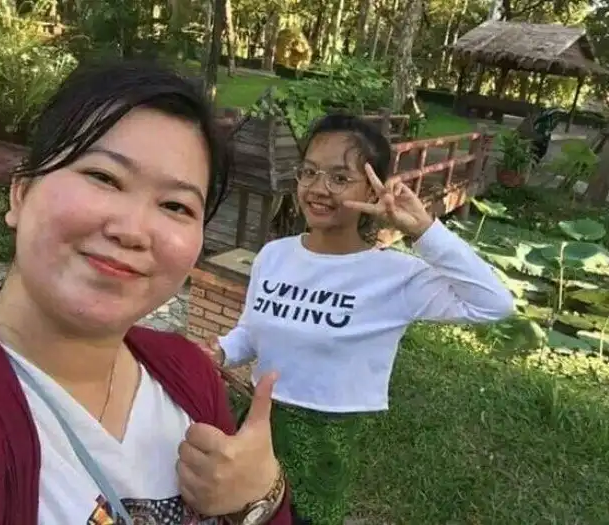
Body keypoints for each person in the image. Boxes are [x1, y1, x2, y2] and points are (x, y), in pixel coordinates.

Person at [0, 60, 293, 525]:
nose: (133, 231)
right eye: (104, 177)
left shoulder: (187, 374)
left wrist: (261, 498)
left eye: (176, 205)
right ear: (21, 193)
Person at [213, 114, 515, 525]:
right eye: (309, 172)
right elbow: (251, 332)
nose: (318, 188)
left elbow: (493, 304)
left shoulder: (394, 275)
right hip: (257, 423)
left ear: (373, 188)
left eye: (340, 178)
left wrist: (424, 230)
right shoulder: (274, 255)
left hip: (327, 445)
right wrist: (220, 352)